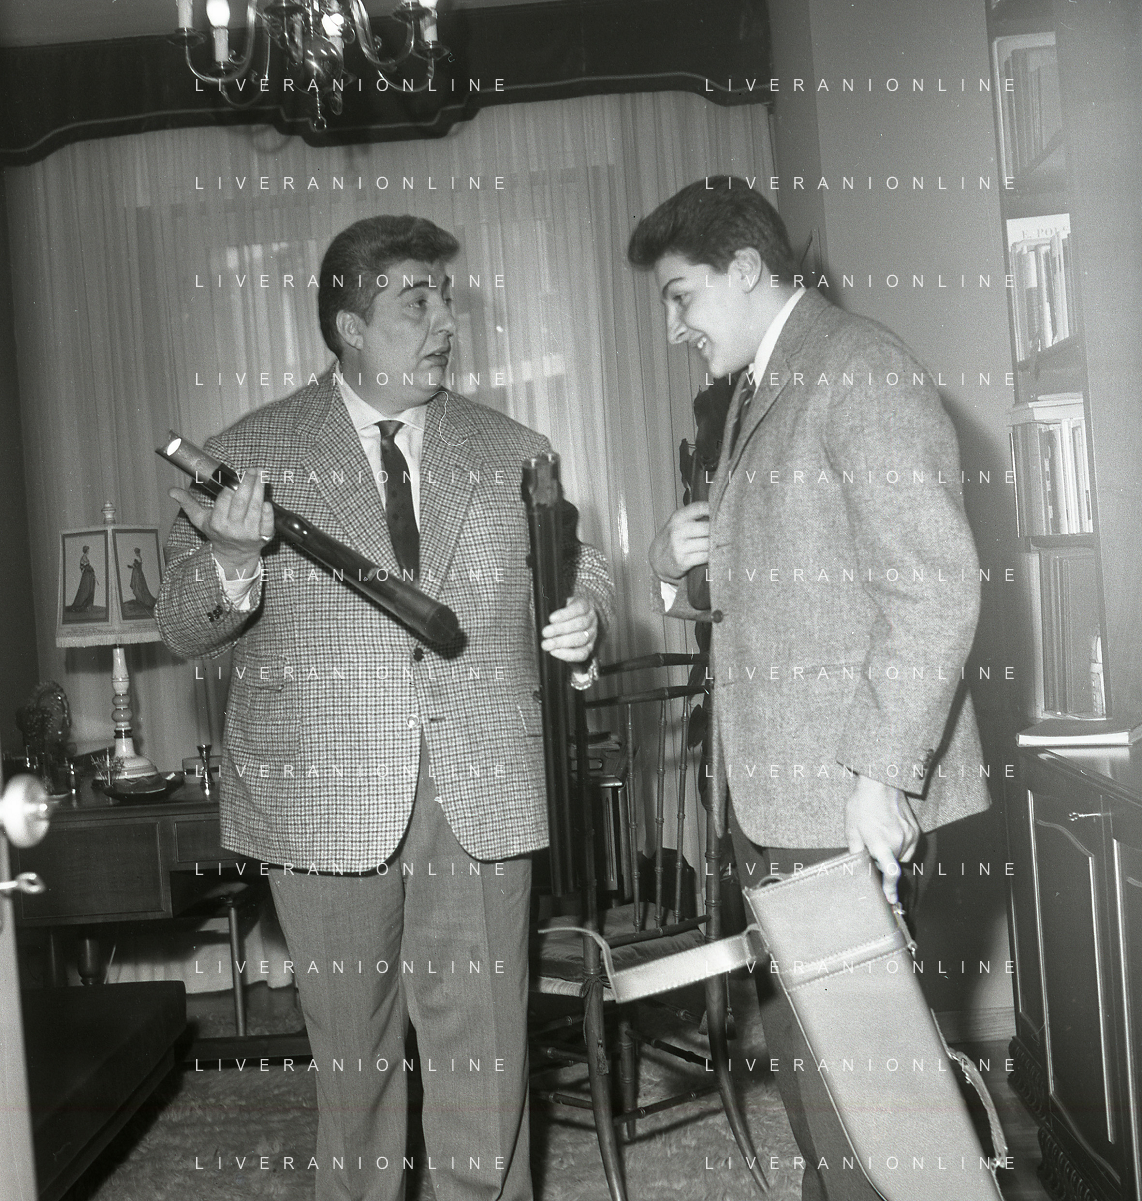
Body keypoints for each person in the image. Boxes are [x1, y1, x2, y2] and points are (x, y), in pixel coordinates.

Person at [156, 214, 614, 1201]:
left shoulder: (513, 448)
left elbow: (581, 565)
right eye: (417, 300)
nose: (445, 319)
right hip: (322, 802)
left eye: (446, 297)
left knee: (484, 1060)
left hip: (480, 789)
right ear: (350, 326)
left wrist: (584, 614)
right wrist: (232, 558)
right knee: (352, 1067)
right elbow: (181, 623)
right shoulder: (248, 453)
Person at [629, 177, 989, 1201]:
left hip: (845, 802)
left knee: (873, 1103)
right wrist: (671, 571)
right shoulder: (760, 386)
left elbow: (934, 586)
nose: (674, 328)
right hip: (786, 800)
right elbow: (780, 590)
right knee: (819, 1078)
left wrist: (880, 777)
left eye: (681, 296)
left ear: (745, 269)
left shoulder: (858, 367)